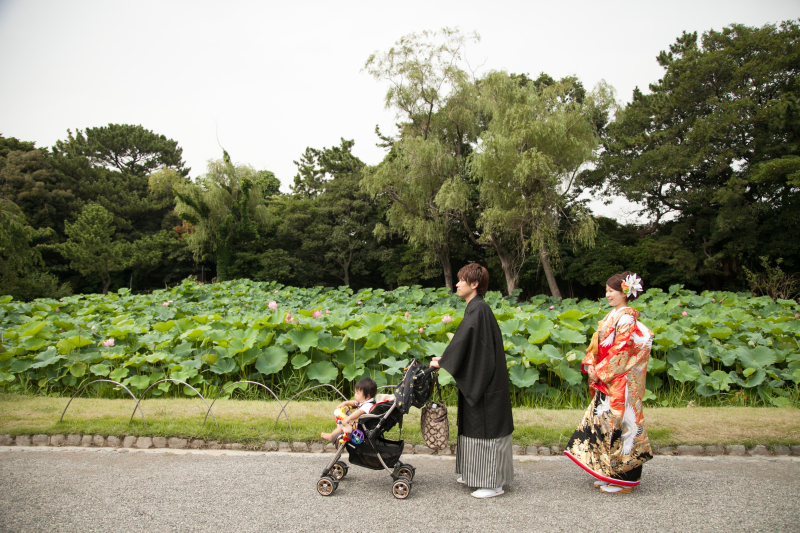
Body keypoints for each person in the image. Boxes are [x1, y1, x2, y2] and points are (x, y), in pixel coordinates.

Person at [564, 271, 654, 493]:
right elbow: (598, 346)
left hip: (621, 381)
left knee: (622, 426)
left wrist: (600, 372)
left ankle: (625, 479)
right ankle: (610, 472)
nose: (607, 294)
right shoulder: (613, 316)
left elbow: (621, 351)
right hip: (610, 378)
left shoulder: (627, 318)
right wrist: (591, 364)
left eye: (611, 291)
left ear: (625, 292)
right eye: (606, 290)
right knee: (604, 425)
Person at [429, 263, 514, 499]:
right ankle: (474, 473)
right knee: (473, 425)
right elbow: (468, 345)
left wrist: (444, 361)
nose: (456, 284)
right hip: (482, 379)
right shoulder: (476, 308)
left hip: (486, 384)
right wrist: (445, 358)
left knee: (485, 427)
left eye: (461, 280)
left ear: (474, 284)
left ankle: (492, 483)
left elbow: (464, 343)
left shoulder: (478, 310)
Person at [320, 377, 377, 442]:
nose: (355, 395)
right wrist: (345, 403)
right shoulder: (364, 401)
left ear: (367, 396)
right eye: (355, 392)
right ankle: (337, 434)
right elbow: (355, 403)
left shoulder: (368, 405)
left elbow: (359, 412)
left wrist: (348, 418)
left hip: (360, 426)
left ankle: (332, 436)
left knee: (342, 425)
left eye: (357, 393)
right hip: (358, 423)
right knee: (341, 421)